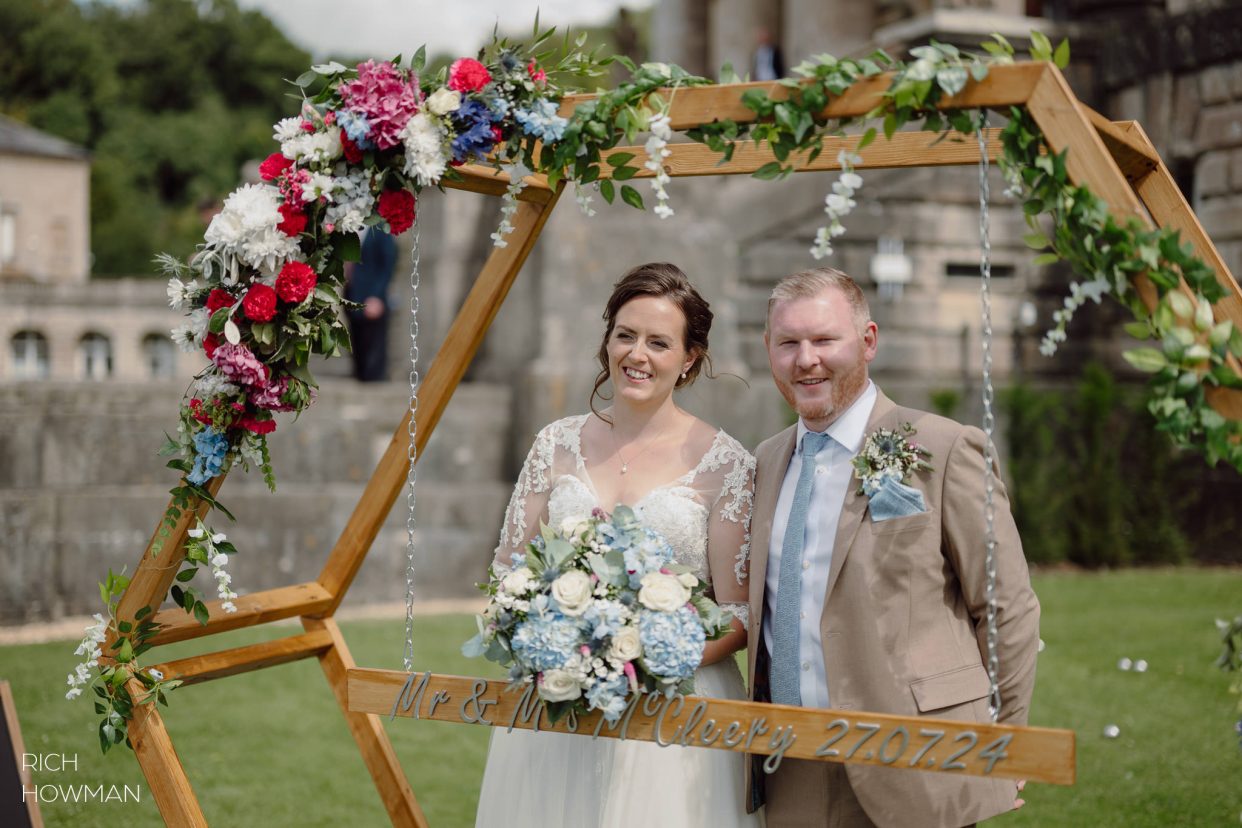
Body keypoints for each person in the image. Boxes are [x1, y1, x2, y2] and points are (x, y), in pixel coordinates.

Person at [746, 267, 1040, 827]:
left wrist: (1008, 739)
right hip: (792, 762)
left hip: (920, 756)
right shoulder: (764, 461)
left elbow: (1006, 606)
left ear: (868, 341)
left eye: (824, 339)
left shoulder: (944, 448)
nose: (805, 359)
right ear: (768, 350)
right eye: (788, 343)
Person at [475, 262, 760, 827]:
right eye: (625, 335)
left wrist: (635, 663)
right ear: (607, 339)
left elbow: (738, 613)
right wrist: (555, 647)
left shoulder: (725, 463)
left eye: (659, 342)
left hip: (675, 708)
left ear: (689, 359)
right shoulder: (552, 444)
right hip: (559, 700)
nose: (638, 354)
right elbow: (508, 573)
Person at [344, 226, 397, 381]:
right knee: (357, 343)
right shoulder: (350, 230)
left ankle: (374, 382)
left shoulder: (380, 230)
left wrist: (377, 296)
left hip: (372, 296)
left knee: (374, 347)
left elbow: (387, 265)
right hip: (353, 295)